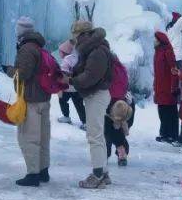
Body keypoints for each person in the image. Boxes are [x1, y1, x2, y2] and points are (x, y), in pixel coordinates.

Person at [68, 20, 114, 189]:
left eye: (75, 35)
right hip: (98, 94)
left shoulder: (96, 51)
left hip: (97, 94)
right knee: (98, 135)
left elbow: (90, 76)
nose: (74, 39)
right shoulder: (96, 48)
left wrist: (71, 80)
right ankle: (104, 172)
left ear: (82, 34)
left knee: (94, 135)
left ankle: (97, 174)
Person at [11, 16, 51, 187]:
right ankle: (43, 171)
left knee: (28, 137)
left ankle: (32, 174)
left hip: (31, 99)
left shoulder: (27, 49)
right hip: (43, 98)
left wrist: (10, 71)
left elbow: (23, 74)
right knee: (43, 138)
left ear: (21, 31)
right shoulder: (39, 47)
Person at [152, 31, 180, 143]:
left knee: (170, 111)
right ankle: (164, 133)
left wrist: (174, 87)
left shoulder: (168, 52)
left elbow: (174, 70)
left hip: (168, 87)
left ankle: (173, 135)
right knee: (162, 110)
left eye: (155, 39)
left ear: (160, 41)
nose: (154, 41)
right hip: (160, 86)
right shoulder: (158, 52)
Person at [56, 39, 86, 127]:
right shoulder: (78, 57)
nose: (60, 54)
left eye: (60, 52)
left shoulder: (67, 59)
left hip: (67, 87)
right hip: (77, 87)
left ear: (65, 52)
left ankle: (66, 116)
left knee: (62, 101)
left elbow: (62, 73)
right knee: (79, 105)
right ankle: (85, 122)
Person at [105, 98, 134, 166]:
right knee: (119, 143)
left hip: (109, 130)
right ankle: (120, 155)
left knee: (112, 140)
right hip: (113, 130)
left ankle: (119, 154)